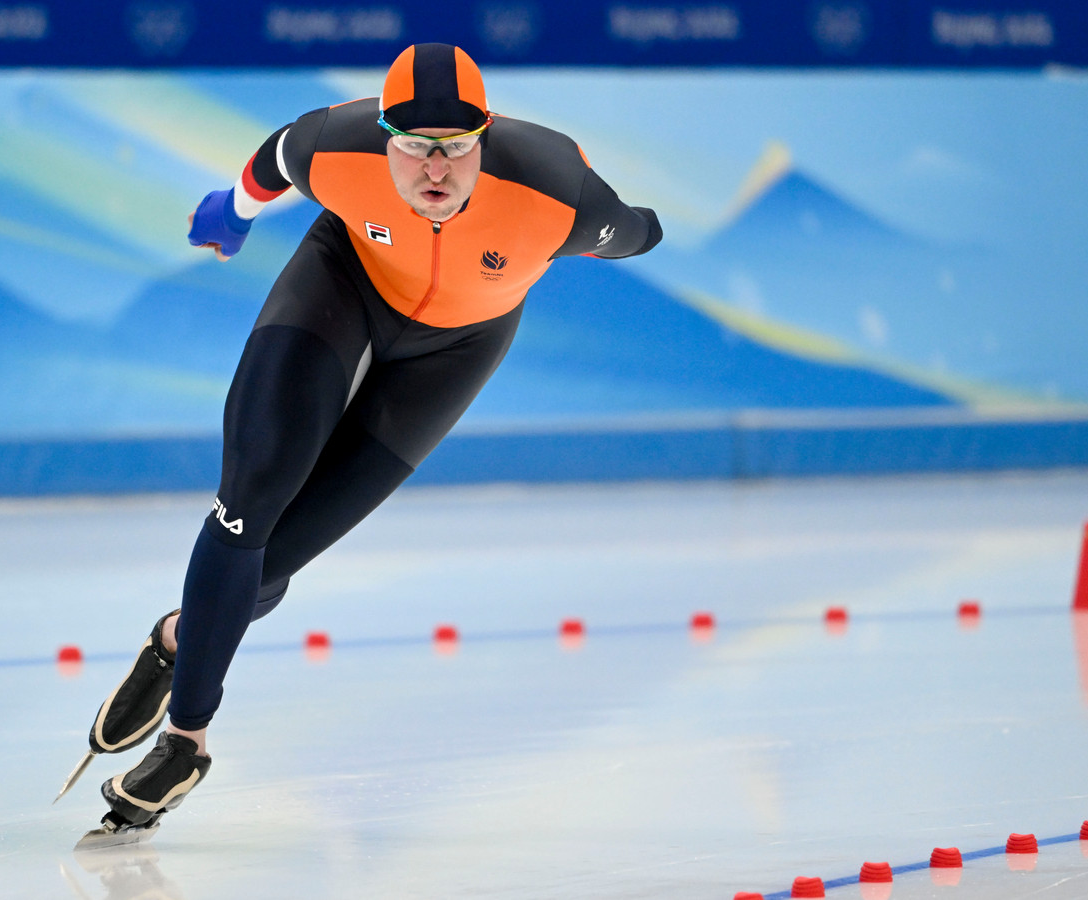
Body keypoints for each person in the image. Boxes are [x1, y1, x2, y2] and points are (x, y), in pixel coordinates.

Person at [78, 42, 662, 834]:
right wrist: (234, 212)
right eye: (415, 147)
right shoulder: (334, 146)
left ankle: (179, 640)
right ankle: (187, 740)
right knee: (250, 499)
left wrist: (628, 228)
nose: (434, 170)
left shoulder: (555, 193)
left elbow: (634, 232)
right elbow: (272, 158)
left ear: (483, 139)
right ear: (383, 138)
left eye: (455, 149)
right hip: (343, 285)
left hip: (457, 347)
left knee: (275, 559)